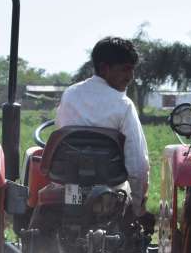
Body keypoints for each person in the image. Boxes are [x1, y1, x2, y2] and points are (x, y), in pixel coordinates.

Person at [55, 37, 153, 228]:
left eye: (132, 69)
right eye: (125, 69)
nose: (130, 76)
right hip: (110, 190)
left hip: (70, 187)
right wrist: (138, 208)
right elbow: (138, 164)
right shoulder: (123, 105)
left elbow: (61, 134)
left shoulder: (70, 95)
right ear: (105, 68)